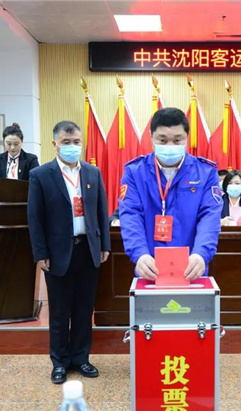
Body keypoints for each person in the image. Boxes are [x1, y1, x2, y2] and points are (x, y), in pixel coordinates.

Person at [27, 120, 110, 384]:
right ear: (55, 144)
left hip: (88, 249)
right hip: (57, 253)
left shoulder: (92, 173)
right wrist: (40, 253)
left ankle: (81, 359)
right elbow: (35, 218)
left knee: (84, 310)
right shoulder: (41, 175)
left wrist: (104, 245)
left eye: (76, 142)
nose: (72, 146)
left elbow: (101, 212)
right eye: (66, 142)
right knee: (60, 311)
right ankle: (60, 362)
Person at [119, 107, 221, 281]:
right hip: (149, 268)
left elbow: (210, 216)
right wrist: (140, 254)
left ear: (187, 138)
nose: (170, 146)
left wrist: (201, 254)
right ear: (151, 138)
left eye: (177, 140)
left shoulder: (205, 172)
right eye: (163, 140)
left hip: (192, 268)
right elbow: (130, 215)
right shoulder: (134, 172)